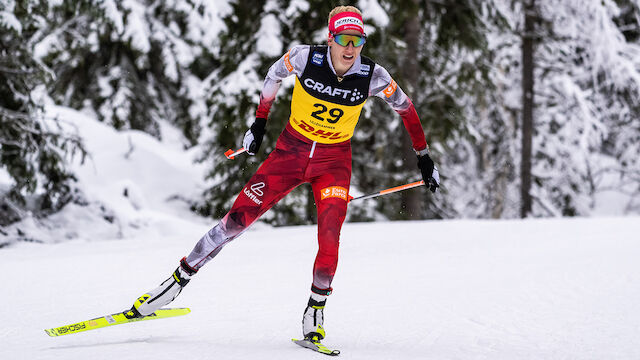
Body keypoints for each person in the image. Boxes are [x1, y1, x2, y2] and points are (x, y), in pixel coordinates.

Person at [129, 5, 440, 343]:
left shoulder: (373, 75)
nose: (350, 48)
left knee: (330, 238)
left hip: (334, 164)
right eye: (343, 39)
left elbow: (407, 110)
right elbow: (273, 76)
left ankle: (315, 310)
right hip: (289, 154)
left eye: (358, 40)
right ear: (330, 38)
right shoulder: (305, 59)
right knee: (235, 222)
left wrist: (423, 156)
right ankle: (176, 281)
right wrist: (260, 122)